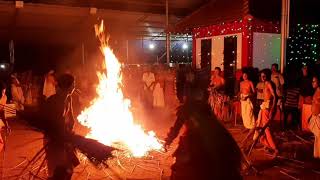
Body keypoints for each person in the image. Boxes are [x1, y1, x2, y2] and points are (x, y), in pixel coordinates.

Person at [164, 80, 241, 180]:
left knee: (187, 169)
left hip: (196, 142)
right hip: (213, 138)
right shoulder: (204, 107)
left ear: (187, 96)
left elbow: (176, 128)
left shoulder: (187, 108)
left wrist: (168, 141)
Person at [41, 74, 79, 179]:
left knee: (69, 168)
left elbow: (71, 118)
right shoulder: (55, 101)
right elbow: (55, 123)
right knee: (57, 172)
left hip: (64, 138)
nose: (74, 87)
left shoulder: (69, 98)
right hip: (55, 140)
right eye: (73, 84)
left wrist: (71, 132)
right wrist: (63, 138)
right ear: (68, 86)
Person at [255, 69, 278, 155]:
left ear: (267, 76)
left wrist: (272, 109)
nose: (262, 78)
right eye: (261, 76)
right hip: (264, 106)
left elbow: (274, 96)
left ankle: (274, 148)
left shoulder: (269, 83)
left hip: (267, 108)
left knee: (266, 128)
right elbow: (267, 93)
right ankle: (266, 145)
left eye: (264, 76)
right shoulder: (265, 83)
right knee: (261, 127)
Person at [308, 76, 320, 159]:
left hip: (318, 117)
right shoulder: (316, 91)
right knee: (317, 137)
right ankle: (317, 155)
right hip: (315, 116)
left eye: (314, 81)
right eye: (312, 81)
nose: (312, 83)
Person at [0, 82, 10, 152]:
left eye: (4, 92)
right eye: (1, 92)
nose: (3, 94)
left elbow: (2, 112)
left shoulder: (4, 97)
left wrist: (7, 125)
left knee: (1, 143)